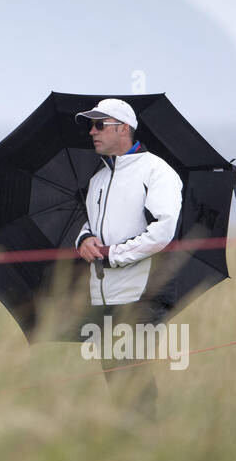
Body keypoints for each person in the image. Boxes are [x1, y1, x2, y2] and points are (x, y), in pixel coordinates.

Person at [73, 98, 183, 422]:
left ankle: (145, 448)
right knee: (115, 373)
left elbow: (163, 230)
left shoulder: (157, 171)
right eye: (90, 126)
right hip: (105, 293)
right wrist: (84, 240)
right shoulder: (97, 180)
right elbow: (92, 224)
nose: (91, 132)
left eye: (99, 125)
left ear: (123, 128)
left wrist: (114, 255)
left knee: (130, 372)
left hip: (145, 291)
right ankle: (131, 449)